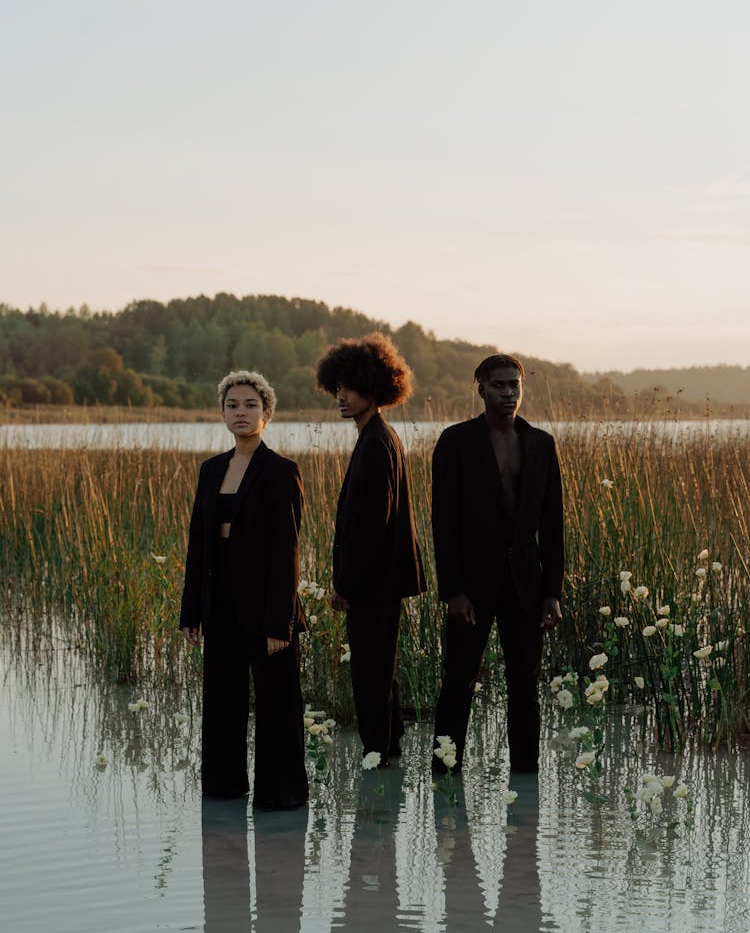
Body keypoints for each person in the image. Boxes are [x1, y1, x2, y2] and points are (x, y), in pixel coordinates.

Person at [179, 370, 309, 808]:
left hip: (268, 606)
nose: (240, 412)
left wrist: (280, 622)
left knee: (277, 704)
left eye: (250, 405)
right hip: (221, 605)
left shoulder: (281, 471)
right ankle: (224, 788)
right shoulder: (211, 469)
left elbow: (286, 551)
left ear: (266, 413)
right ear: (222, 413)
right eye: (232, 405)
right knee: (221, 701)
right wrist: (191, 611)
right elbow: (199, 545)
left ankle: (282, 795)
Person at [431, 353, 564, 774]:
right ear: (481, 389)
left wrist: (552, 593)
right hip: (471, 585)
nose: (509, 393)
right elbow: (443, 524)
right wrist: (453, 590)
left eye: (515, 385)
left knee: (524, 685)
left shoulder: (541, 444)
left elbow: (553, 525)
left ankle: (526, 780)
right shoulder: (455, 442)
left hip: (526, 583)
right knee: (458, 683)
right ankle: (445, 774)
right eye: (500, 386)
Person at [316, 333, 426, 765]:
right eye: (337, 388)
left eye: (351, 387)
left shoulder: (379, 442)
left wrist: (345, 584)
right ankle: (388, 753)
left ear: (376, 387)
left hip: (373, 585)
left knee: (371, 675)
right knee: (379, 673)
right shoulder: (375, 437)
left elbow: (370, 525)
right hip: (378, 582)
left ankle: (379, 758)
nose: (342, 397)